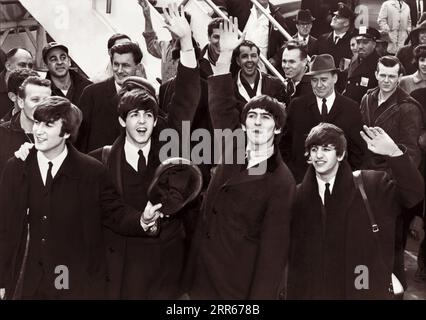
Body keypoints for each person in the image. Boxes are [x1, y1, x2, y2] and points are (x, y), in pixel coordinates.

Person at [88, 4, 201, 299]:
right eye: (134, 115)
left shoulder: (169, 145)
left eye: (148, 115)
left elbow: (187, 96)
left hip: (166, 264)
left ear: (155, 119)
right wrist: (141, 220)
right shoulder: (101, 159)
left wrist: (186, 42)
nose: (141, 121)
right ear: (122, 119)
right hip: (124, 262)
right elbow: (109, 210)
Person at [0, 96, 163, 299]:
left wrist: (142, 220)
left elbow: (114, 213)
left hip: (71, 282)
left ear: (67, 132)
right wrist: (3, 281)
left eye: (48, 125)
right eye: (37, 122)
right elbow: (5, 227)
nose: (38, 131)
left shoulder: (91, 172)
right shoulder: (17, 167)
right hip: (25, 282)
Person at [186, 17, 295, 300]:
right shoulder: (233, 147)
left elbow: (273, 256)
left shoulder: (281, 181)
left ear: (279, 127)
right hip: (202, 275)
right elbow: (221, 101)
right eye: (252, 117)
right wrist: (225, 55)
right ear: (243, 125)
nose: (258, 123)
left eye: (267, 118)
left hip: (236, 284)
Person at [287, 123, 424, 299]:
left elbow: (414, 193)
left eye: (327, 149)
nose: (319, 155)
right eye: (314, 149)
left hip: (363, 288)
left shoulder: (372, 185)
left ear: (341, 154)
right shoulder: (297, 196)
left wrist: (394, 153)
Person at [360, 55, 423, 289]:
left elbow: (412, 154)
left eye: (392, 76)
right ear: (376, 74)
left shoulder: (408, 108)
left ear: (399, 77)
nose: (386, 80)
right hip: (365, 181)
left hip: (391, 186)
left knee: (391, 245)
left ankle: (394, 290)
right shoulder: (367, 98)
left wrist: (390, 182)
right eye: (383, 75)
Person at [280, 54, 365, 183]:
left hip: (338, 184)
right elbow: (284, 144)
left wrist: (344, 178)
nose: (319, 85)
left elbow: (357, 151)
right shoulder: (297, 106)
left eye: (324, 79)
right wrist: (293, 173)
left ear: (335, 78)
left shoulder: (351, 108)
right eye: (314, 80)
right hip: (301, 182)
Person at [77, 42, 144, 153]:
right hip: (98, 165)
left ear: (138, 67)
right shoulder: (91, 93)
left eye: (126, 65)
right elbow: (79, 138)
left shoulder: (145, 96)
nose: (119, 70)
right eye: (116, 64)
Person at [212, 0, 289, 71]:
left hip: (260, 68)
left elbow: (287, 42)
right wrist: (222, 10)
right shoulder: (241, 4)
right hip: (234, 62)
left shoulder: (276, 17)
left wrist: (276, 59)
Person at [0, 76, 51, 177]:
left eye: (46, 100)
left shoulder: (57, 133)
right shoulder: (2, 133)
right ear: (21, 102)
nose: (41, 105)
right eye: (35, 100)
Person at [232, 40, 286, 106]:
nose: (250, 60)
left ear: (258, 59)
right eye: (245, 56)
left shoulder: (276, 84)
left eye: (253, 56)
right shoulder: (230, 88)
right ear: (238, 61)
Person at [42, 42, 92, 107]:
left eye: (63, 57)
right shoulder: (42, 92)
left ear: (69, 61)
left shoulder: (88, 88)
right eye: (53, 59)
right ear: (46, 65)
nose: (59, 62)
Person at [343, 27, 381, 104]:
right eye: (358, 42)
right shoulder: (354, 59)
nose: (360, 46)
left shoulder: (379, 64)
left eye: (365, 42)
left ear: (374, 44)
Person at [0, 48, 33, 118]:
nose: (27, 69)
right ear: (8, 66)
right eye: (22, 65)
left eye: (30, 66)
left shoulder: (35, 87)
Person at [281, 40, 312, 105]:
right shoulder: (287, 84)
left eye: (291, 62)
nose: (286, 66)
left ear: (304, 62)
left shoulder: (313, 88)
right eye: (284, 61)